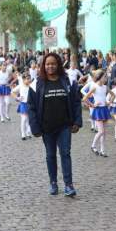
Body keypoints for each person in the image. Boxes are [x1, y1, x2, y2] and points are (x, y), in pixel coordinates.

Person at [28, 53, 82, 197]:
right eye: (47, 64)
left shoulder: (68, 81)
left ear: (58, 65)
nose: (50, 66)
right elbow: (31, 107)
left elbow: (76, 102)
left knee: (65, 153)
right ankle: (53, 182)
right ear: (43, 66)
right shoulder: (36, 84)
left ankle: (68, 185)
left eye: (53, 64)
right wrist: (35, 128)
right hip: (46, 127)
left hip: (64, 126)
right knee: (50, 155)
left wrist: (77, 121)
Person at [83, 69, 115, 157]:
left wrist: (109, 102)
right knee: (101, 131)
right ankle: (93, 146)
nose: (106, 78)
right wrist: (92, 105)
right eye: (104, 77)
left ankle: (102, 150)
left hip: (104, 110)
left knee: (104, 132)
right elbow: (85, 98)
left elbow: (113, 95)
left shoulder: (105, 87)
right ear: (100, 77)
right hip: (97, 111)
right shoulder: (95, 87)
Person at [12, 72, 32, 140]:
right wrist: (17, 98)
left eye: (29, 79)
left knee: (29, 119)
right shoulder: (20, 86)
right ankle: (23, 134)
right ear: (23, 80)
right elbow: (13, 92)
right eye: (27, 79)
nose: (29, 80)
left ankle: (28, 132)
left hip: (30, 104)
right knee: (24, 119)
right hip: (23, 104)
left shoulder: (31, 86)